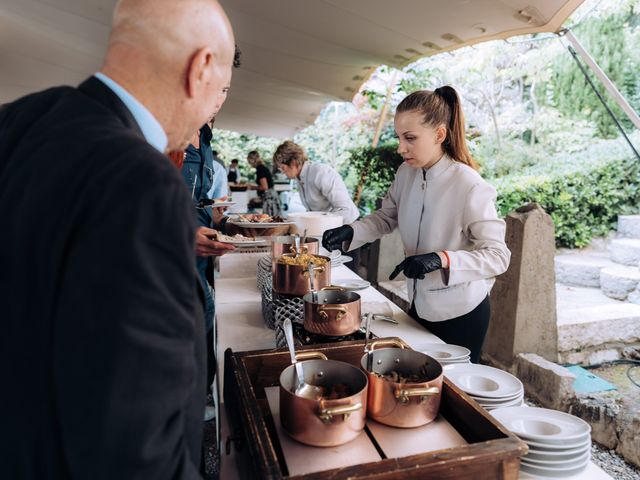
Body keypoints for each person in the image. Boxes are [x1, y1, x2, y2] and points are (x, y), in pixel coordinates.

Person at [0, 0, 235, 477]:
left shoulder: (16, 120)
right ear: (201, 67)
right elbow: (135, 442)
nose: (214, 109)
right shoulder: (143, 183)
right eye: (223, 90)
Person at [322, 86, 510, 363]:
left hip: (462, 312)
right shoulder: (406, 173)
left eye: (410, 138)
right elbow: (387, 217)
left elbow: (498, 257)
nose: (401, 148)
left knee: (452, 392)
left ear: (440, 134)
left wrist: (441, 259)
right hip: (419, 305)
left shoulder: (469, 184)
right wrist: (352, 230)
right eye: (399, 137)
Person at [273, 140, 359, 223]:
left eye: (283, 168)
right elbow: (313, 211)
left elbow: (345, 210)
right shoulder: (299, 177)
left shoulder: (320, 172)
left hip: (345, 225)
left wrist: (320, 225)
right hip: (325, 226)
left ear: (293, 162)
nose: (283, 173)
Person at [247, 150, 281, 216]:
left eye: (249, 161)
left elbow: (264, 187)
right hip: (270, 196)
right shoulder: (262, 167)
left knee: (270, 220)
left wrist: (251, 187)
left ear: (252, 160)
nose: (249, 164)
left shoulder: (260, 169)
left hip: (269, 198)